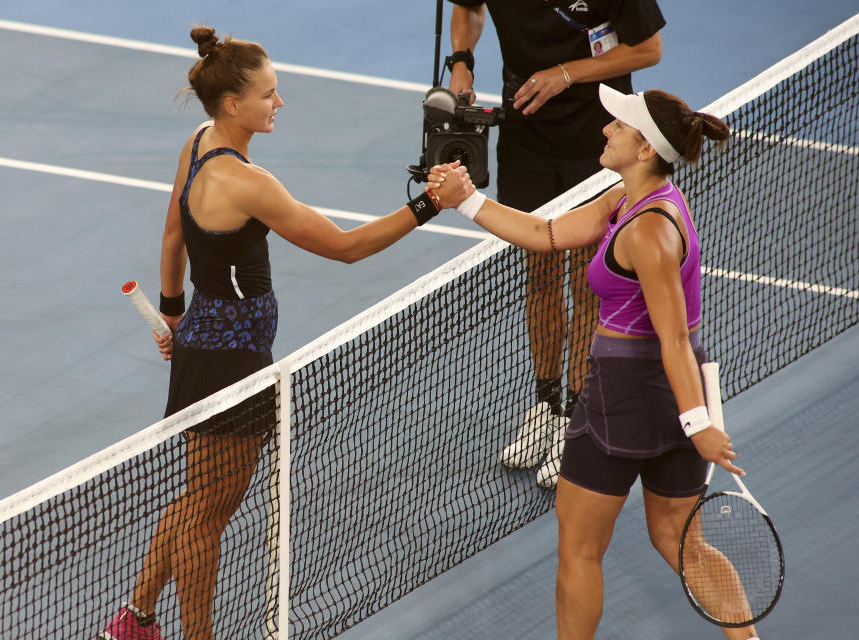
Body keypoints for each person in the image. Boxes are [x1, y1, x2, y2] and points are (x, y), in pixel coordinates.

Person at [98, 27, 472, 640]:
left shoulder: (197, 144)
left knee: (199, 500)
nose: (279, 103)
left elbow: (173, 237)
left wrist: (173, 312)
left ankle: (134, 619)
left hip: (205, 342)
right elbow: (347, 249)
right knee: (209, 517)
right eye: (269, 95)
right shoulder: (248, 183)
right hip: (232, 364)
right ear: (232, 105)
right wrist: (431, 204)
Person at [431, 84, 765, 639]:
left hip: (625, 396)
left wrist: (698, 426)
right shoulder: (633, 198)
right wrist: (467, 200)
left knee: (580, 549)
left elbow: (673, 339)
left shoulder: (649, 231)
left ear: (643, 150)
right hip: (671, 395)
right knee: (679, 540)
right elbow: (548, 233)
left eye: (619, 127)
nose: (606, 129)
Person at [446, 0, 665, 489]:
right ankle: (546, 404)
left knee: (588, 281)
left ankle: (578, 413)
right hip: (526, 131)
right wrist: (461, 60)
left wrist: (567, 73)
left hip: (600, 135)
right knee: (540, 274)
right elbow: (468, 8)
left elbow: (648, 49)